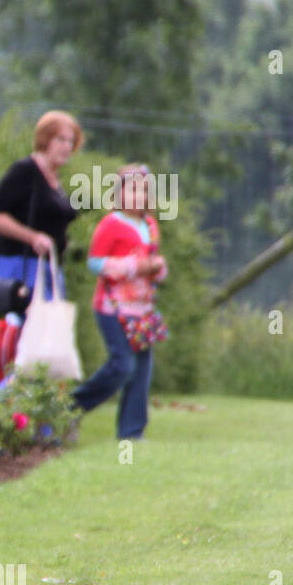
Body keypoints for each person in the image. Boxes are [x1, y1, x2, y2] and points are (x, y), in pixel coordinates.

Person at [0, 111, 82, 386]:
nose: (66, 146)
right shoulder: (26, 171)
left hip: (49, 268)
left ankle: (38, 412)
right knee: (26, 339)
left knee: (46, 340)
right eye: (60, 138)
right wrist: (32, 236)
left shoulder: (55, 179)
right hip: (20, 267)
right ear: (45, 139)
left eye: (71, 141)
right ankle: (8, 403)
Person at [71, 164, 168, 439]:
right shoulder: (111, 224)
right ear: (120, 193)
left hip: (143, 308)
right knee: (122, 365)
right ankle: (71, 407)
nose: (138, 195)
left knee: (141, 370)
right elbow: (95, 263)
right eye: (132, 189)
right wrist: (134, 266)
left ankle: (132, 432)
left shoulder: (150, 224)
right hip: (112, 307)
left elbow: (153, 259)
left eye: (143, 190)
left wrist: (157, 267)